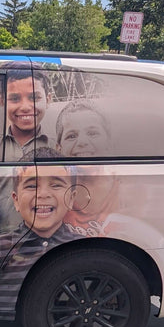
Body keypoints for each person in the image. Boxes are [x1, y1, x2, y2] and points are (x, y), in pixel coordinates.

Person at [0, 161, 82, 320]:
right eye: (31, 186)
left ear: (71, 198)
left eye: (56, 185)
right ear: (15, 200)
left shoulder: (83, 248)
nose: (43, 194)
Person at [0, 64, 54, 232]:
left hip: (46, 244)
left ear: (48, 99)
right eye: (14, 99)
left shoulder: (56, 148)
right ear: (1, 101)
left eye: (34, 97)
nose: (25, 106)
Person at [55, 100, 120, 237]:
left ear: (109, 143)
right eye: (71, 136)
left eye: (92, 133)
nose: (82, 142)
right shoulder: (52, 195)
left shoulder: (127, 189)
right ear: (59, 149)